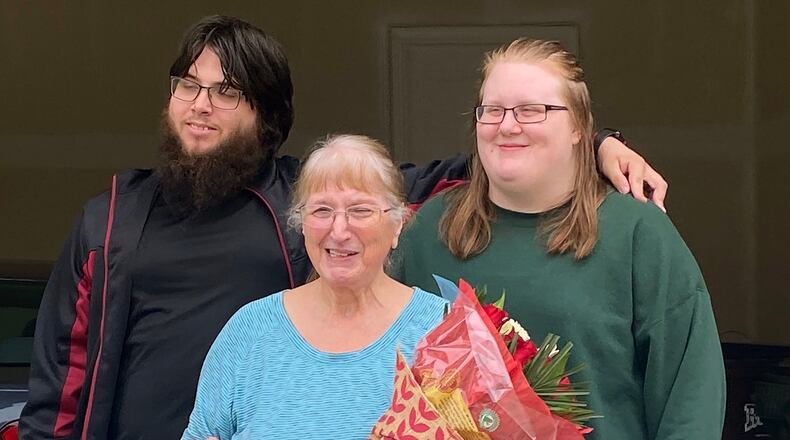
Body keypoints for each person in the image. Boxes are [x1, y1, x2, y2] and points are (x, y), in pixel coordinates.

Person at [20, 16, 666, 440]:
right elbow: (61, 381)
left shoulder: (307, 201)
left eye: (227, 92)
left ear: (266, 116)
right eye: (188, 86)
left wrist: (591, 143)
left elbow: (468, 167)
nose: (200, 105)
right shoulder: (111, 217)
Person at [396, 39, 726, 439]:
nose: (507, 126)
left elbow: (690, 400)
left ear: (579, 128)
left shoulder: (637, 234)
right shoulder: (429, 231)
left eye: (531, 110)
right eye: (493, 110)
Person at [182, 134, 447, 439]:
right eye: (322, 210)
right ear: (302, 223)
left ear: (397, 223)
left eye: (360, 210)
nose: (339, 231)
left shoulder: (443, 331)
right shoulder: (249, 332)